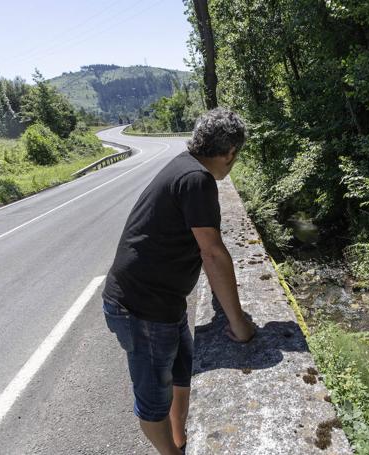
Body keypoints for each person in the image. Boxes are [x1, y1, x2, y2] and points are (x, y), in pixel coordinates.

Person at [102, 107, 256, 455]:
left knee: (182, 371)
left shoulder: (184, 166)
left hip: (161, 303)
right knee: (154, 400)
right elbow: (213, 254)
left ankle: (181, 439)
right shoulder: (197, 180)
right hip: (140, 309)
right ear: (230, 153)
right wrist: (239, 323)